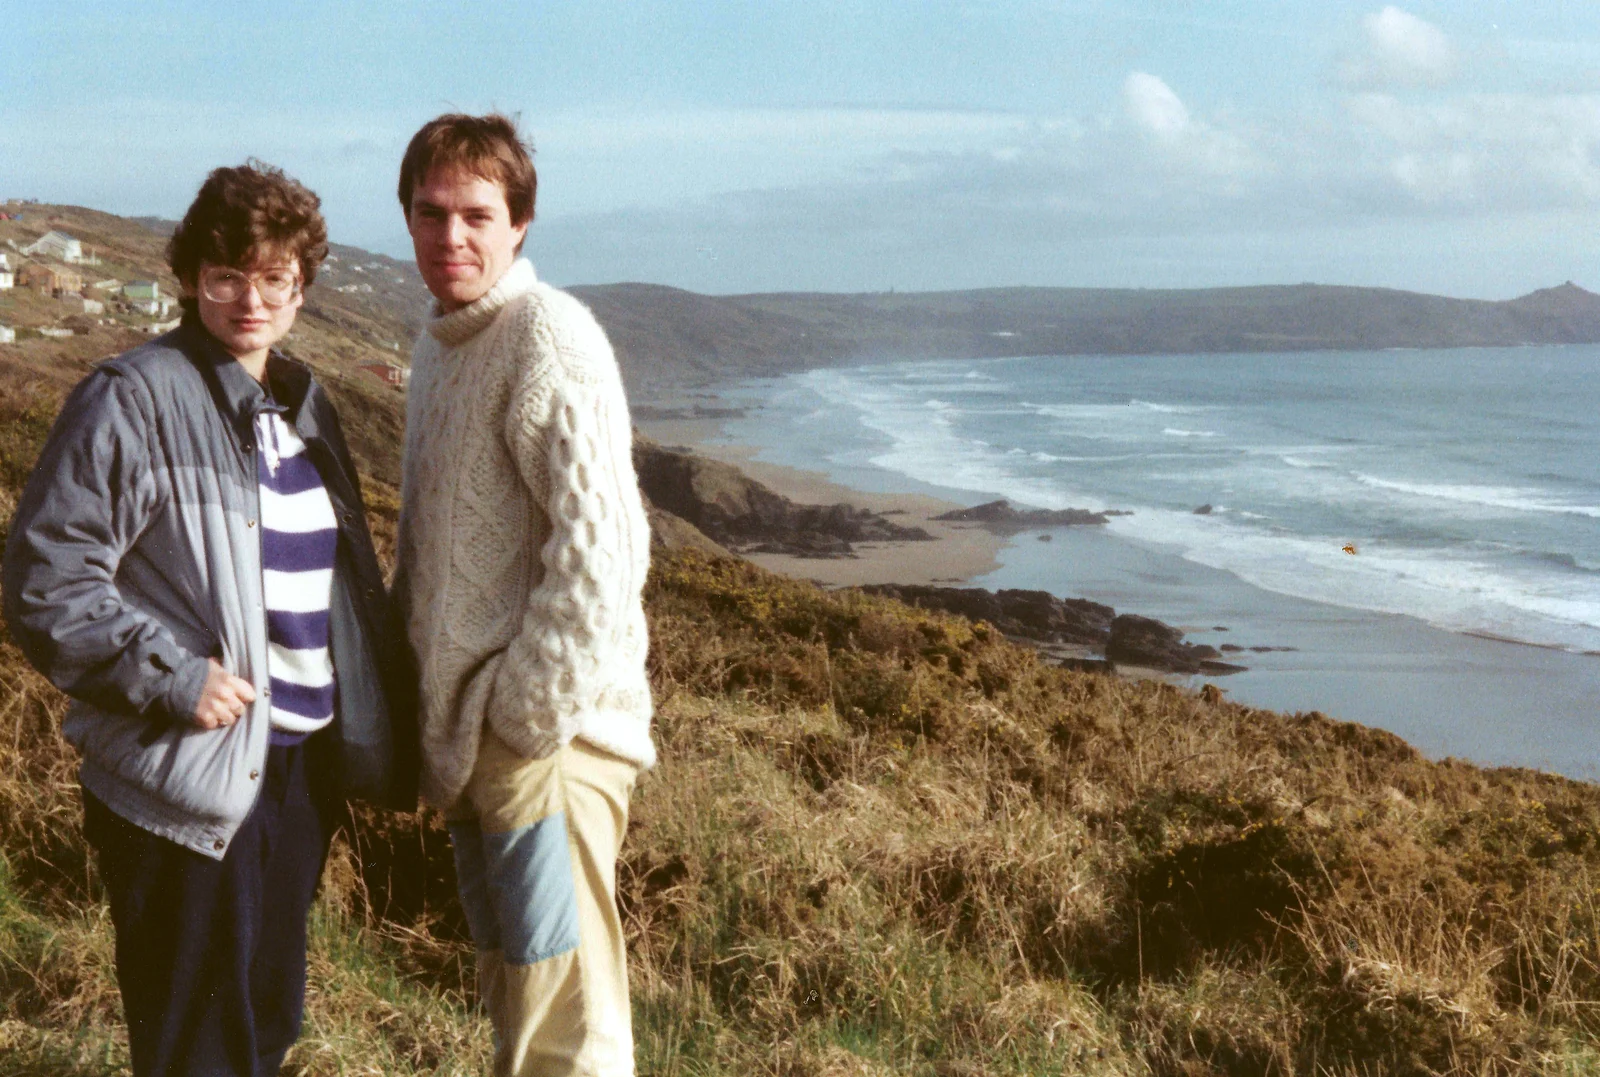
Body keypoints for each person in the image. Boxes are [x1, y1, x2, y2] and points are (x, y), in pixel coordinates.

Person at [3, 162, 411, 1077]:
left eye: (275, 278)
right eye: (228, 274)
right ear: (191, 276)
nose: (250, 299)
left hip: (298, 774)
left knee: (264, 1028)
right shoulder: (132, 397)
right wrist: (171, 677)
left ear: (302, 288)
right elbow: (44, 577)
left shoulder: (301, 403)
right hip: (186, 774)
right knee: (196, 1046)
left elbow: (340, 584)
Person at [394, 112, 654, 1076]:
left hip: (547, 745)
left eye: (476, 214)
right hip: (472, 748)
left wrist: (523, 716)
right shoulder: (441, 348)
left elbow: (604, 550)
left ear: (520, 224)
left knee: (569, 1027)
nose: (450, 236)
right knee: (518, 1002)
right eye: (430, 214)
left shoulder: (549, 334)